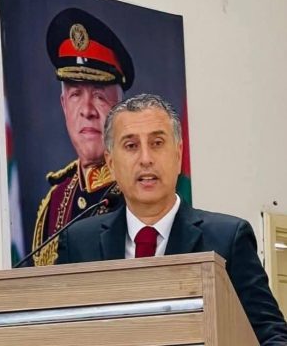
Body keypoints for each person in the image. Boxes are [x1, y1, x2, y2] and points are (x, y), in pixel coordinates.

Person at [57, 93, 287, 345]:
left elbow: (271, 335)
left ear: (178, 155)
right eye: (131, 146)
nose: (146, 159)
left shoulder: (227, 239)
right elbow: (56, 332)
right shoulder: (79, 243)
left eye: (157, 143)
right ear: (111, 163)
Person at [32, 8, 134, 266]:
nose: (87, 110)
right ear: (64, 105)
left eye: (99, 96)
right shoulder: (55, 201)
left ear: (120, 110)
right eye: (76, 94)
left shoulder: (138, 191)